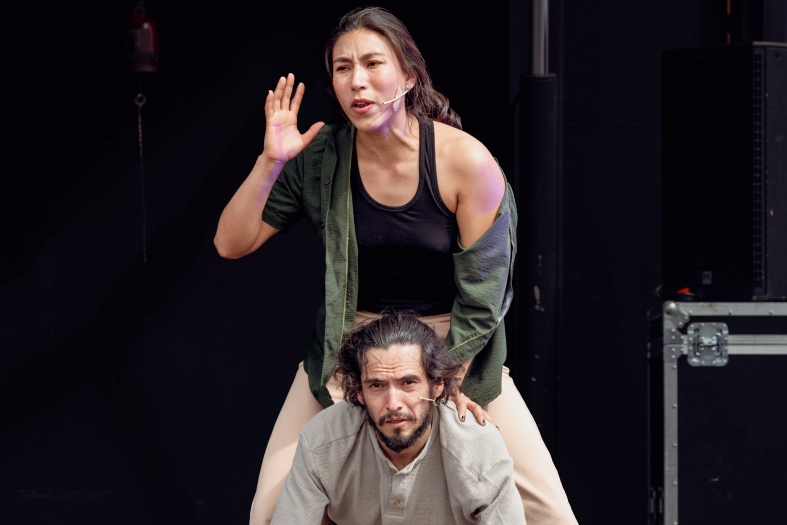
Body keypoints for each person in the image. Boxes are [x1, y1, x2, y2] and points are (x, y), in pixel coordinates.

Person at [214, 6, 577, 525]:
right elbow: (230, 243)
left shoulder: (465, 160)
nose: (357, 81)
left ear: (408, 76)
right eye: (343, 68)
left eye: (372, 63)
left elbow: (486, 294)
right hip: (351, 343)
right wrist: (271, 162)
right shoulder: (321, 159)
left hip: (451, 343)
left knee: (549, 515)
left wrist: (447, 379)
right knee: (271, 513)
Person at [271, 311, 526, 525]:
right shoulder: (322, 441)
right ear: (358, 392)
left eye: (408, 383)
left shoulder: (478, 448)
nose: (393, 404)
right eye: (376, 385)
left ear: (437, 384)